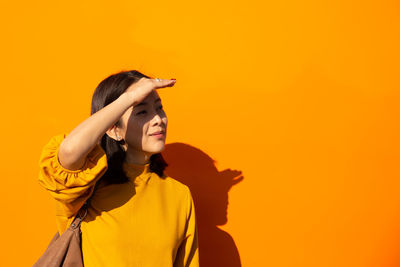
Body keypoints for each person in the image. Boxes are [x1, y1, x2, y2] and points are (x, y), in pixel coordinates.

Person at [37, 70, 199, 266]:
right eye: (142, 111)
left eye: (159, 108)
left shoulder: (178, 195)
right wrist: (129, 97)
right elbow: (69, 151)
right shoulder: (85, 188)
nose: (158, 119)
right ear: (113, 129)